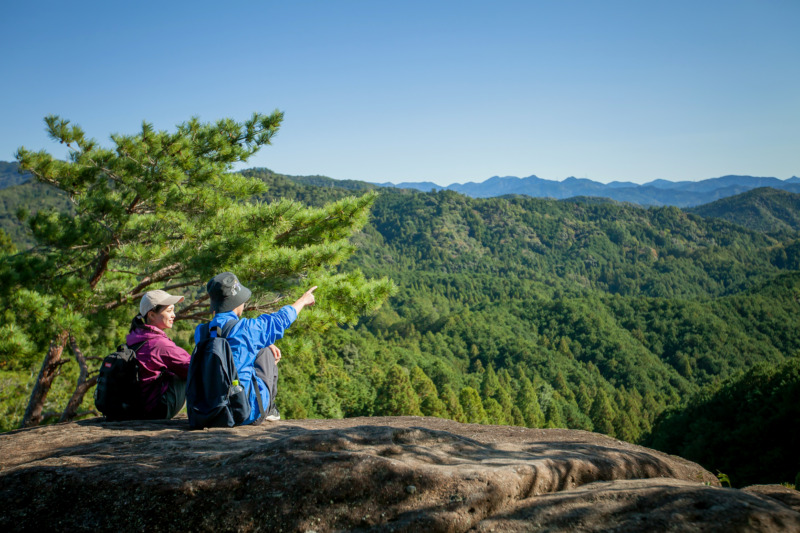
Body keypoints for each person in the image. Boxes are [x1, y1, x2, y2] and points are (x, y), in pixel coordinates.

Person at [195, 272, 316, 424]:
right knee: (266, 351)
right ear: (237, 303)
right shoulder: (246, 329)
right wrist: (303, 300)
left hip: (209, 410)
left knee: (263, 346)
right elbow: (280, 320)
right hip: (243, 412)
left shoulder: (201, 332)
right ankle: (269, 408)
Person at [126, 289, 191, 419]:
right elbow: (192, 366)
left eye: (173, 310)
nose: (174, 315)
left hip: (138, 408)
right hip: (155, 410)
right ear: (151, 315)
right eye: (169, 311)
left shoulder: (136, 337)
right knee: (190, 372)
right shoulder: (158, 344)